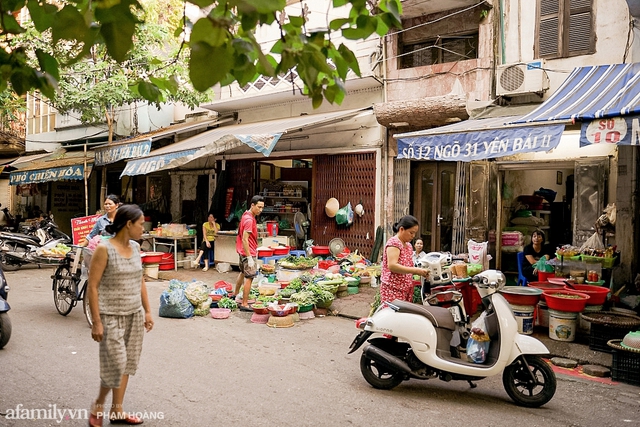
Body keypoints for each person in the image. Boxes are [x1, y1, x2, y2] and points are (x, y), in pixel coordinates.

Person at [87, 204, 153, 426]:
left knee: (127, 364)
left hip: (134, 314)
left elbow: (140, 279)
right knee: (115, 364)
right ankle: (99, 403)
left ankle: (117, 411)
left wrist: (148, 311)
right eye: (141, 224)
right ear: (128, 224)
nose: (143, 229)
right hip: (110, 315)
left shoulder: (135, 247)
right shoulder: (104, 249)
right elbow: (92, 287)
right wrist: (96, 322)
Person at [380, 215, 430, 304]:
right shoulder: (394, 243)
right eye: (411, 233)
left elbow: (407, 266)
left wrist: (421, 271)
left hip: (406, 289)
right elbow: (392, 266)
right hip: (393, 289)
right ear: (402, 229)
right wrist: (416, 270)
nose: (413, 236)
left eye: (415, 233)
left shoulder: (409, 246)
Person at [234, 195, 264, 311]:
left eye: (262, 208)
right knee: (249, 277)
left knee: (242, 273)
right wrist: (250, 257)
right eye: (259, 207)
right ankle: (245, 304)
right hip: (248, 252)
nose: (260, 210)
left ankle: (236, 295)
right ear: (252, 205)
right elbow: (244, 239)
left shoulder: (246, 215)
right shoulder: (249, 219)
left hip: (242, 251)